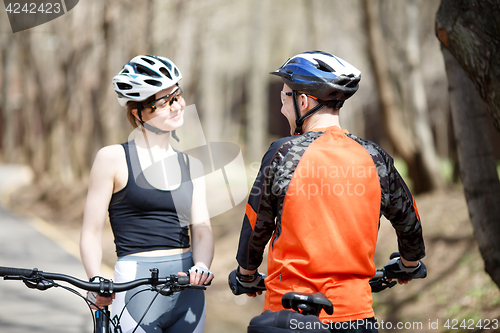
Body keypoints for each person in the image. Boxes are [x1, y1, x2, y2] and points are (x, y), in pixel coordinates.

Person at [231, 51, 426, 332]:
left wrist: (246, 274)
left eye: (284, 97)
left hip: (290, 313)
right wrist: (408, 263)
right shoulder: (374, 156)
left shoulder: (283, 153)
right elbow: (410, 223)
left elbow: (256, 225)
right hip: (355, 316)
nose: (282, 107)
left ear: (302, 101)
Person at [80, 55, 214, 333]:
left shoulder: (192, 164)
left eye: (177, 96)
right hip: (136, 288)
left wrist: (201, 265)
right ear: (138, 113)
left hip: (187, 288)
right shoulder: (113, 158)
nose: (177, 106)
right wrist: (95, 280)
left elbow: (201, 230)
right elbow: (91, 231)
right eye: (164, 102)